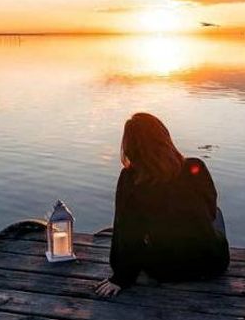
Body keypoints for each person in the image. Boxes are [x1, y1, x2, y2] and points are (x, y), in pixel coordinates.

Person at [92, 112, 229, 299]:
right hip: (213, 263)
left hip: (167, 270)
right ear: (165, 138)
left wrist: (120, 278)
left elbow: (127, 232)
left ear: (130, 145)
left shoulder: (131, 179)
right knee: (216, 213)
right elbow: (210, 211)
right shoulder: (196, 166)